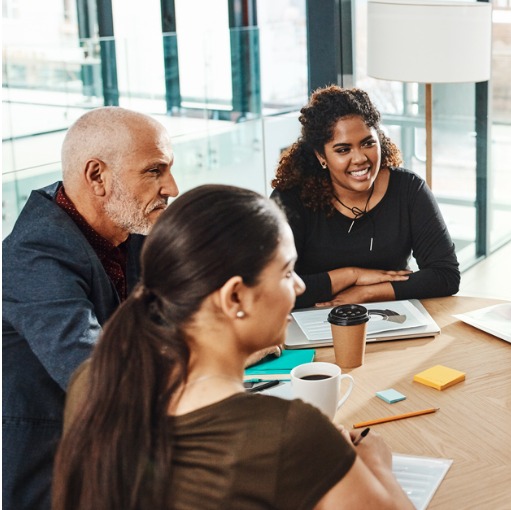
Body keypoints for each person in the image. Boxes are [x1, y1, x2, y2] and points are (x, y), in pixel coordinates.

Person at [53, 185, 415, 510]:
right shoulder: (289, 434)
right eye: (288, 273)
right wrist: (377, 463)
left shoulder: (92, 381)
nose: (301, 286)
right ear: (236, 297)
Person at [1, 107, 179, 509]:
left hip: (123, 452)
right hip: (55, 473)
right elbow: (98, 375)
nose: (172, 186)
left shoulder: (130, 228)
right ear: (97, 176)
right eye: (154, 171)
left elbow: (183, 310)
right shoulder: (32, 257)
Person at [271, 86, 460, 309]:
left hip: (391, 318)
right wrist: (352, 275)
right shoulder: (290, 200)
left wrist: (367, 293)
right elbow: (272, 289)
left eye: (368, 143)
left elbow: (446, 275)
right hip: (311, 321)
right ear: (321, 156)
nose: (360, 158)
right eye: (343, 150)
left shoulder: (408, 189)